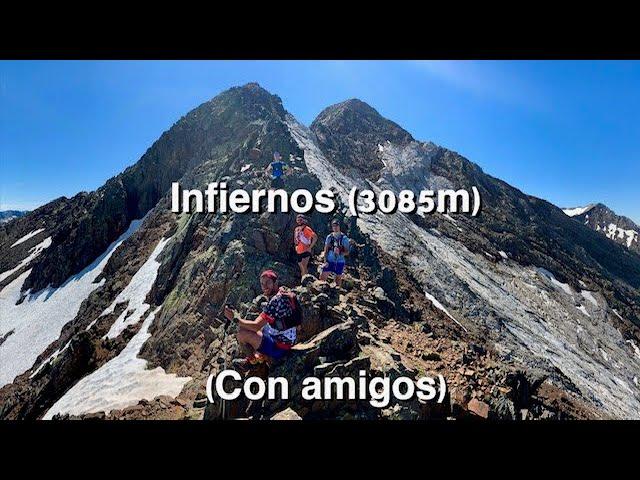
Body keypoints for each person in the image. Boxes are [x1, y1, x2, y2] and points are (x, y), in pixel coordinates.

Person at [224, 270, 297, 370]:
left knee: (241, 333)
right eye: (262, 284)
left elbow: (256, 325)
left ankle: (252, 363)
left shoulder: (275, 301)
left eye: (268, 283)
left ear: (275, 283)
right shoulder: (283, 293)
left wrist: (234, 319)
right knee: (258, 326)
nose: (265, 287)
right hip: (285, 339)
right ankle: (260, 355)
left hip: (280, 347)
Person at [320, 219, 350, 287]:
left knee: (338, 279)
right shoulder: (329, 237)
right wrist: (325, 261)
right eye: (333, 226)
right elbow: (326, 249)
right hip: (330, 260)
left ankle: (336, 295)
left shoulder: (344, 238)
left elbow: (347, 252)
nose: (335, 227)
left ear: (339, 226)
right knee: (322, 277)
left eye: (336, 226)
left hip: (339, 261)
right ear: (332, 227)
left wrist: (340, 252)